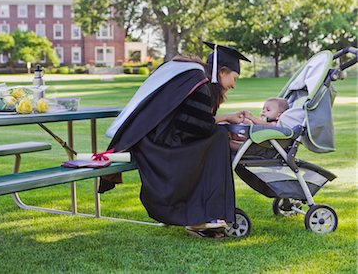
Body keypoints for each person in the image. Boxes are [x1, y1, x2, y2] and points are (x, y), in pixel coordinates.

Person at [101, 41, 251, 238]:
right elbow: (197, 127)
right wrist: (224, 126)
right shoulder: (198, 80)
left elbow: (192, 122)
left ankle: (203, 215)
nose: (233, 84)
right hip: (160, 146)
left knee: (217, 135)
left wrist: (225, 119)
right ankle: (205, 215)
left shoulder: (194, 76)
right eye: (234, 77)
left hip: (154, 140)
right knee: (218, 137)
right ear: (222, 72)